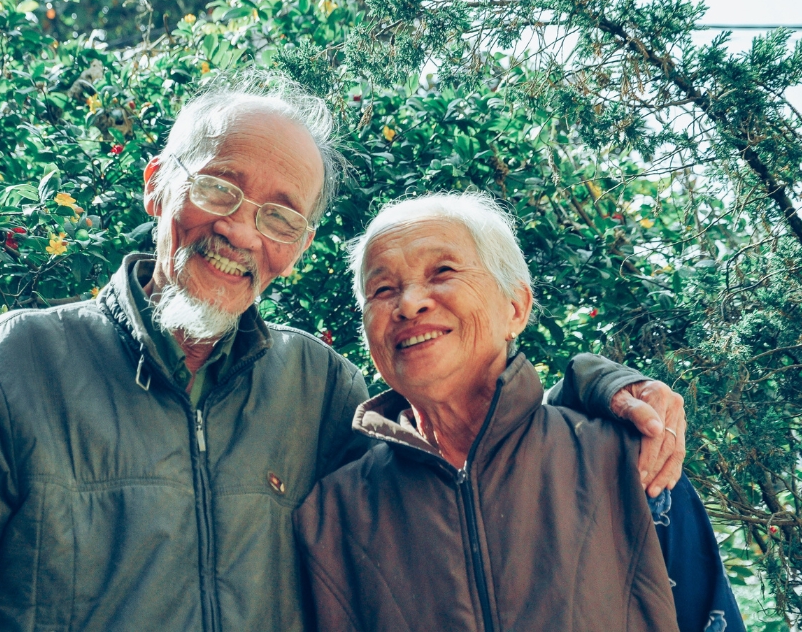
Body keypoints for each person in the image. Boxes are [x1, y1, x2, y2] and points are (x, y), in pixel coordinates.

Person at [0, 73, 688, 631]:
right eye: (219, 186)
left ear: (297, 244)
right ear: (159, 183)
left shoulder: (319, 388)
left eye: (281, 215)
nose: (238, 229)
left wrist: (598, 387)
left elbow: (465, 444)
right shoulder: (18, 361)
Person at [294, 192, 744, 632]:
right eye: (383, 289)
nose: (409, 303)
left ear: (516, 308)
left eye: (443, 271)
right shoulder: (333, 513)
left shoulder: (626, 457)